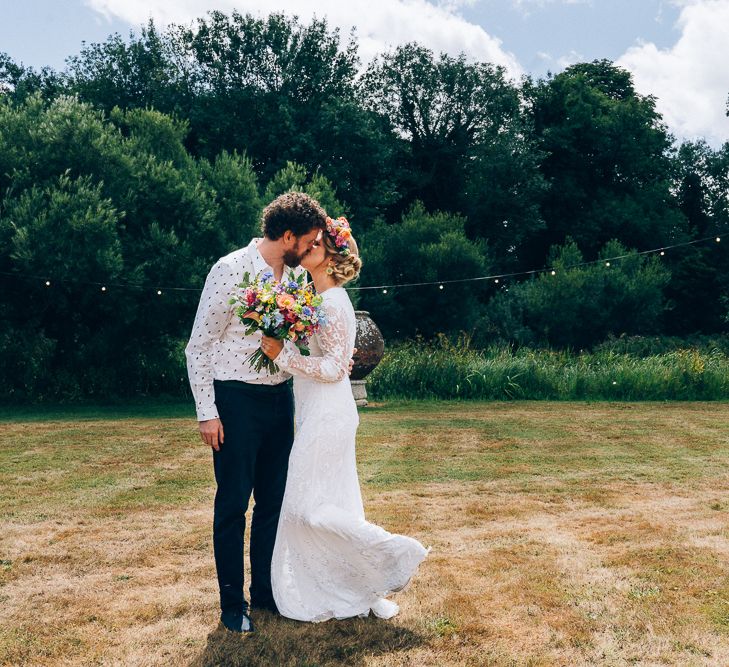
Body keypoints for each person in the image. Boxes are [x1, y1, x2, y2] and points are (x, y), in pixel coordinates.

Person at [261, 216, 429, 622]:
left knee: (306, 507)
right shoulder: (317, 298)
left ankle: (392, 551)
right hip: (317, 409)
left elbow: (337, 368)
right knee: (325, 502)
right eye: (309, 242)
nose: (307, 247)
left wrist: (281, 356)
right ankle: (346, 580)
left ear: (331, 256)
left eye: (316, 244)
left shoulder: (334, 302)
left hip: (329, 412)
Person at [184, 192, 326, 634]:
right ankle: (233, 604)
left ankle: (265, 594)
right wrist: (208, 413)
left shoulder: (298, 282)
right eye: (308, 241)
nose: (311, 249)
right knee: (232, 504)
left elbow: (299, 343)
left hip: (278, 400)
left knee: (273, 503)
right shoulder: (229, 270)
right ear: (287, 236)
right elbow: (199, 346)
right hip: (236, 401)